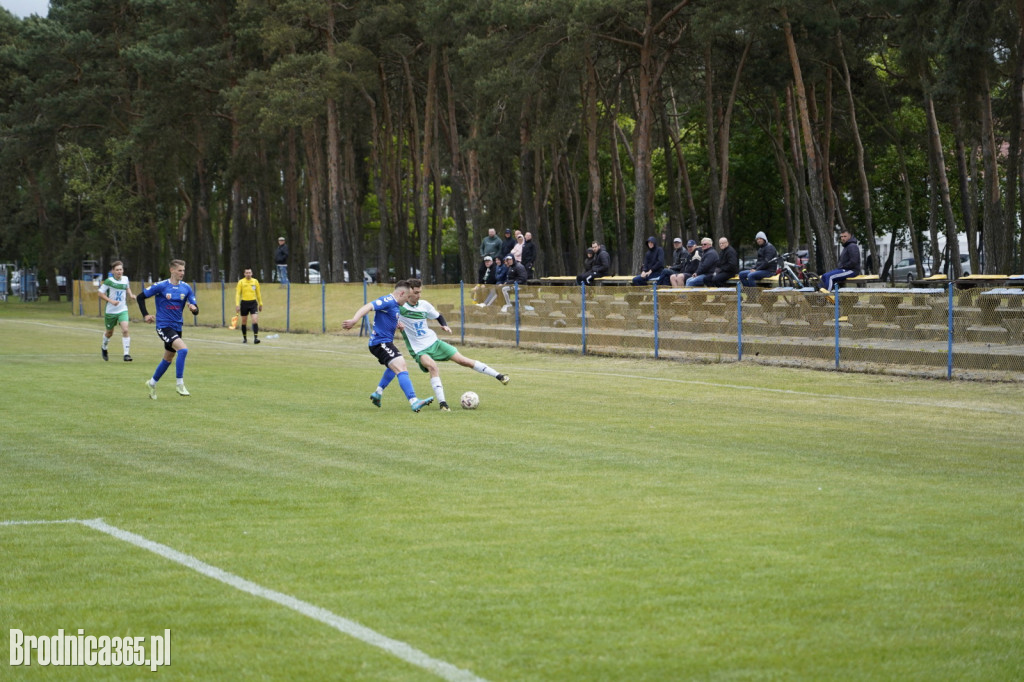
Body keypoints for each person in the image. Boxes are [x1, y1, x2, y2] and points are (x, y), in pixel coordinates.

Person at [384, 279, 510, 411]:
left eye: (420, 292)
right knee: (433, 366)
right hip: (419, 349)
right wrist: (396, 324)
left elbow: (438, 315)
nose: (419, 295)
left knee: (463, 360)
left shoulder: (424, 305)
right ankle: (443, 404)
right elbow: (387, 315)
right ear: (408, 292)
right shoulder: (399, 307)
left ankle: (499, 376)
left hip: (434, 342)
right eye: (416, 293)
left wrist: (444, 325)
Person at [342, 280, 434, 412]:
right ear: (402, 293)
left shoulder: (395, 305)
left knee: (394, 366)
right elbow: (368, 306)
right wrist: (354, 320)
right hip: (380, 343)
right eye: (408, 297)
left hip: (384, 342)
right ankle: (414, 401)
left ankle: (378, 393)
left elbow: (388, 317)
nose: (408, 300)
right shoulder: (388, 300)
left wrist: (396, 323)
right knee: (401, 366)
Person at [137, 259, 198, 398]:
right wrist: (146, 315)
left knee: (168, 358)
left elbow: (196, 308)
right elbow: (140, 297)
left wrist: (194, 309)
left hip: (177, 326)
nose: (182, 273)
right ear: (172, 270)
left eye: (183, 270)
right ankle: (179, 384)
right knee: (183, 350)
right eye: (179, 270)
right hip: (163, 326)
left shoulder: (186, 288)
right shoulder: (161, 286)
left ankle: (151, 383)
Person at [98, 260, 136, 361]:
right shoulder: (109, 281)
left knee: (125, 329)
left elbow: (127, 287)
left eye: (121, 269)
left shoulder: (125, 279)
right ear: (113, 271)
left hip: (122, 309)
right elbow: (100, 293)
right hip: (111, 311)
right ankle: (104, 347)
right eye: (117, 270)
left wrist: (131, 295)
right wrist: (111, 301)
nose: (119, 271)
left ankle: (126, 355)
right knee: (109, 333)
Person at [235, 267, 263, 344]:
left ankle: (256, 338)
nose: (248, 274)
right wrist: (237, 305)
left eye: (249, 272)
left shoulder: (255, 281)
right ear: (244, 274)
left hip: (253, 303)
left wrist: (260, 303)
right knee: (244, 322)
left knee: (255, 320)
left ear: (252, 273)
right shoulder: (241, 282)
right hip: (244, 303)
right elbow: (238, 294)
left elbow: (258, 293)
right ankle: (245, 338)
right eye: (246, 273)